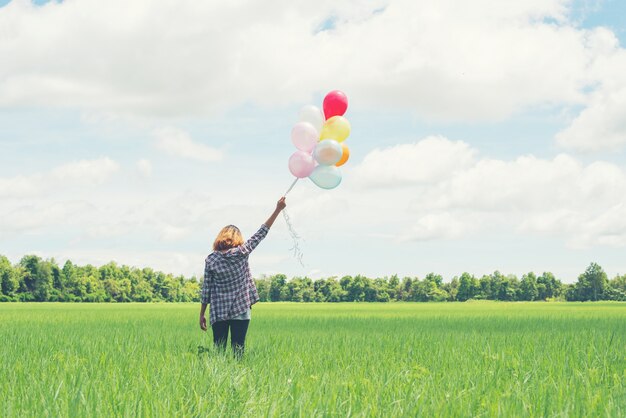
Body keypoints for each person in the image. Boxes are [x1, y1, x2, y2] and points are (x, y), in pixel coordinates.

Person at [199, 197, 287, 357]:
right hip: (241, 309)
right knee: (238, 350)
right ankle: (237, 379)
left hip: (218, 311)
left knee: (218, 352)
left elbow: (207, 290)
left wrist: (202, 314)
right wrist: (277, 210)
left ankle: (217, 379)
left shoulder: (211, 259)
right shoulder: (242, 252)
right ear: (238, 239)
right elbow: (261, 233)